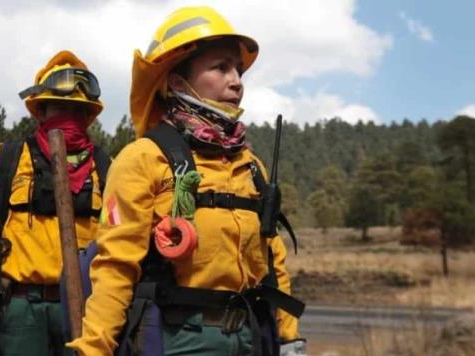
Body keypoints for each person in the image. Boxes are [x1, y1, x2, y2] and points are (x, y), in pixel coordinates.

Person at [68, 6, 306, 356]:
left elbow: (272, 262)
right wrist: (93, 348)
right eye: (220, 67)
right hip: (177, 338)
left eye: (238, 69)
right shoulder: (144, 158)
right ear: (178, 82)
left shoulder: (251, 167)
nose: (237, 81)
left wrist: (289, 338)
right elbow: (115, 266)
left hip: (249, 337)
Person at [0, 50, 109, 356]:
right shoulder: (6, 162)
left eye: (77, 110)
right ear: (40, 111)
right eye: (59, 108)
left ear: (89, 116)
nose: (69, 118)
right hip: (19, 313)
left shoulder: (107, 169)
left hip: (87, 312)